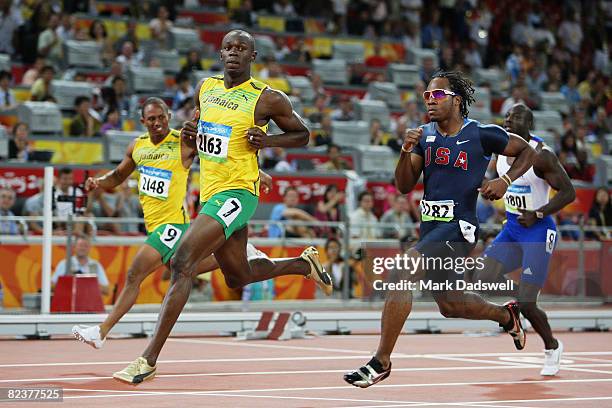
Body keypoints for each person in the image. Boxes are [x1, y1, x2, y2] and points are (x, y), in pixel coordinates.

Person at [112, 31, 332, 383]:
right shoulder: (206, 87)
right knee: (238, 276)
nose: (234, 53)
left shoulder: (267, 99)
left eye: (241, 49)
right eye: (229, 47)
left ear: (252, 56)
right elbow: (209, 136)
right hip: (210, 191)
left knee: (182, 263)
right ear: (220, 53)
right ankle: (301, 264)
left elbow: (304, 134)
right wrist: (190, 132)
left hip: (238, 194)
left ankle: (147, 360)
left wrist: (269, 140)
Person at [72, 97, 318, 351]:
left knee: (135, 272)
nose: (157, 123)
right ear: (143, 121)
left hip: (174, 224)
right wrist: (99, 182)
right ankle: (243, 252)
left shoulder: (184, 139)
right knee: (185, 268)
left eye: (162, 117)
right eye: (152, 119)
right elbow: (119, 175)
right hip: (154, 225)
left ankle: (101, 331)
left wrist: (257, 173)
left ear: (169, 116)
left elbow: (222, 155)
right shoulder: (138, 147)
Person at [344, 70, 536, 388]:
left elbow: (528, 151)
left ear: (456, 101)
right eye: (426, 97)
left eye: (437, 96)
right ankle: (507, 315)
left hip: (459, 227)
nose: (429, 102)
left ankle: (381, 361)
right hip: (431, 227)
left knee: (402, 271)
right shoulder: (423, 136)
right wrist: (406, 151)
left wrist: (504, 180)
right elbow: (404, 186)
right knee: (450, 305)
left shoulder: (482, 134)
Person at [476, 103, 576, 376]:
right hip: (512, 228)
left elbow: (569, 193)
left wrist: (539, 212)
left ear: (528, 123)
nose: (508, 119)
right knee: (481, 278)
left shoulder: (542, 156)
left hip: (538, 230)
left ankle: (552, 347)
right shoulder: (502, 149)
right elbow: (501, 182)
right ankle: (513, 311)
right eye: (507, 115)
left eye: (516, 116)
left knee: (529, 303)